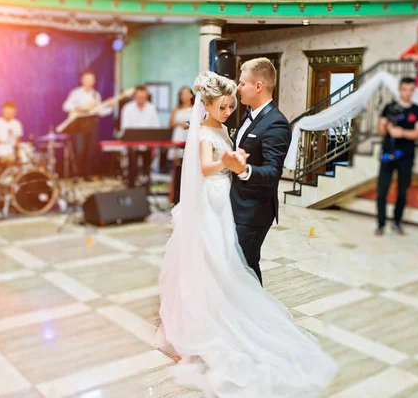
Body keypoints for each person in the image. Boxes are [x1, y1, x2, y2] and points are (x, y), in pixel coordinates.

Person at [156, 67, 337, 397]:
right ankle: (221, 321)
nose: (233, 100)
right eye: (223, 104)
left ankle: (243, 320)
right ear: (208, 105)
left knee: (236, 268)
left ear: (257, 85)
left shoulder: (272, 122)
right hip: (219, 202)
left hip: (242, 208)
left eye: (240, 85)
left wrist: (240, 165)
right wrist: (231, 163)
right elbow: (206, 165)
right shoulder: (225, 126)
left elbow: (269, 171)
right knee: (226, 266)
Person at [375, 77, 418, 236]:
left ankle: (396, 222)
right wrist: (385, 126)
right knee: (382, 190)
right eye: (405, 89)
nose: (408, 93)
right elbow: (380, 132)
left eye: (411, 90)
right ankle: (381, 224)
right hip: (387, 154)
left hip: (406, 156)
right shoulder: (389, 107)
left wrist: (402, 132)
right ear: (399, 89)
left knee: (402, 191)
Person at [62, 71, 101, 179]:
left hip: (92, 123)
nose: (89, 81)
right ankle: (76, 174)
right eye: (87, 79)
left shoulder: (96, 94)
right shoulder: (76, 93)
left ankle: (87, 174)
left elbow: (100, 111)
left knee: (90, 150)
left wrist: (108, 106)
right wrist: (77, 108)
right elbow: (65, 106)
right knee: (79, 150)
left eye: (92, 79)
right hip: (79, 124)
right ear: (82, 80)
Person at [120, 86, 161, 182]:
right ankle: (131, 187)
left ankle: (145, 189)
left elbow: (156, 126)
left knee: (146, 169)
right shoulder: (127, 108)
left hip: (147, 144)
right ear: (135, 96)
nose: (141, 99)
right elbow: (125, 127)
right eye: (139, 96)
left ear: (146, 96)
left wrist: (154, 144)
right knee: (132, 168)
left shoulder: (151, 108)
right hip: (132, 143)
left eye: (143, 97)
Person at [0, 101, 23, 165]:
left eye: (11, 113)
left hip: (12, 154)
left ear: (14, 113)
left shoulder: (17, 124)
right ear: (2, 111)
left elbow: (18, 141)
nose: (9, 114)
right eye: (7, 112)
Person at [167, 86, 194, 162]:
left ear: (191, 95)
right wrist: (179, 124)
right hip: (178, 135)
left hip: (190, 134)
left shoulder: (195, 108)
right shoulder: (176, 108)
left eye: (187, 93)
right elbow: (170, 124)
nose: (185, 96)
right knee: (177, 161)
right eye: (182, 94)